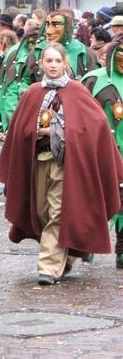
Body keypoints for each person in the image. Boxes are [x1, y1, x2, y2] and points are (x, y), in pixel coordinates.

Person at [0, 42, 123, 285]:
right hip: (39, 160)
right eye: (49, 61)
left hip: (67, 164)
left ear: (64, 63)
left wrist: (66, 133)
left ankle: (48, 266)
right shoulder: (33, 93)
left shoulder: (77, 92)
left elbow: (95, 126)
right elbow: (19, 130)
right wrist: (36, 132)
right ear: (42, 63)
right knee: (42, 210)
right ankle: (65, 255)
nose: (53, 65)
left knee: (58, 210)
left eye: (58, 61)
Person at [81, 34, 123, 269]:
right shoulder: (94, 80)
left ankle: (122, 249)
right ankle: (87, 243)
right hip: (102, 149)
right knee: (96, 196)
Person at [0, 21, 39, 134]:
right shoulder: (17, 56)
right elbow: (11, 91)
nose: (35, 46)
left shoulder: (47, 55)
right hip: (20, 115)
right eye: (33, 43)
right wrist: (17, 124)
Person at [28, 10, 98, 82]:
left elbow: (95, 84)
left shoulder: (87, 54)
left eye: (56, 25)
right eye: (47, 25)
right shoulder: (37, 51)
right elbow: (26, 80)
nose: (48, 31)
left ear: (68, 27)